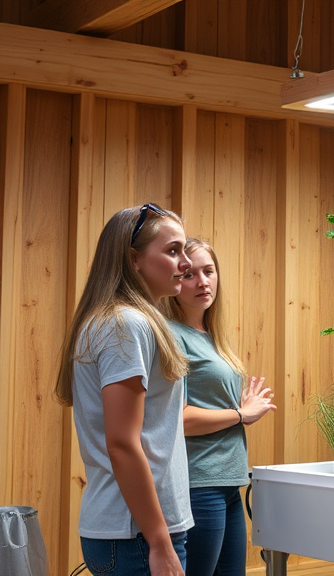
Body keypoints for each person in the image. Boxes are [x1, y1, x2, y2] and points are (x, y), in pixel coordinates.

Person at [55, 203, 193, 576]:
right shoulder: (125, 324)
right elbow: (122, 444)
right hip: (136, 535)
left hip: (137, 531)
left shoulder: (130, 321)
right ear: (133, 259)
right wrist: (160, 543)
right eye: (173, 250)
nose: (186, 263)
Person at [162, 238, 276, 576]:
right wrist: (240, 414)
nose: (202, 282)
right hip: (199, 483)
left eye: (208, 271)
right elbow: (178, 419)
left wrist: (240, 409)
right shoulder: (172, 335)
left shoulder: (212, 337)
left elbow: (209, 405)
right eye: (189, 274)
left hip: (228, 482)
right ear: (174, 283)